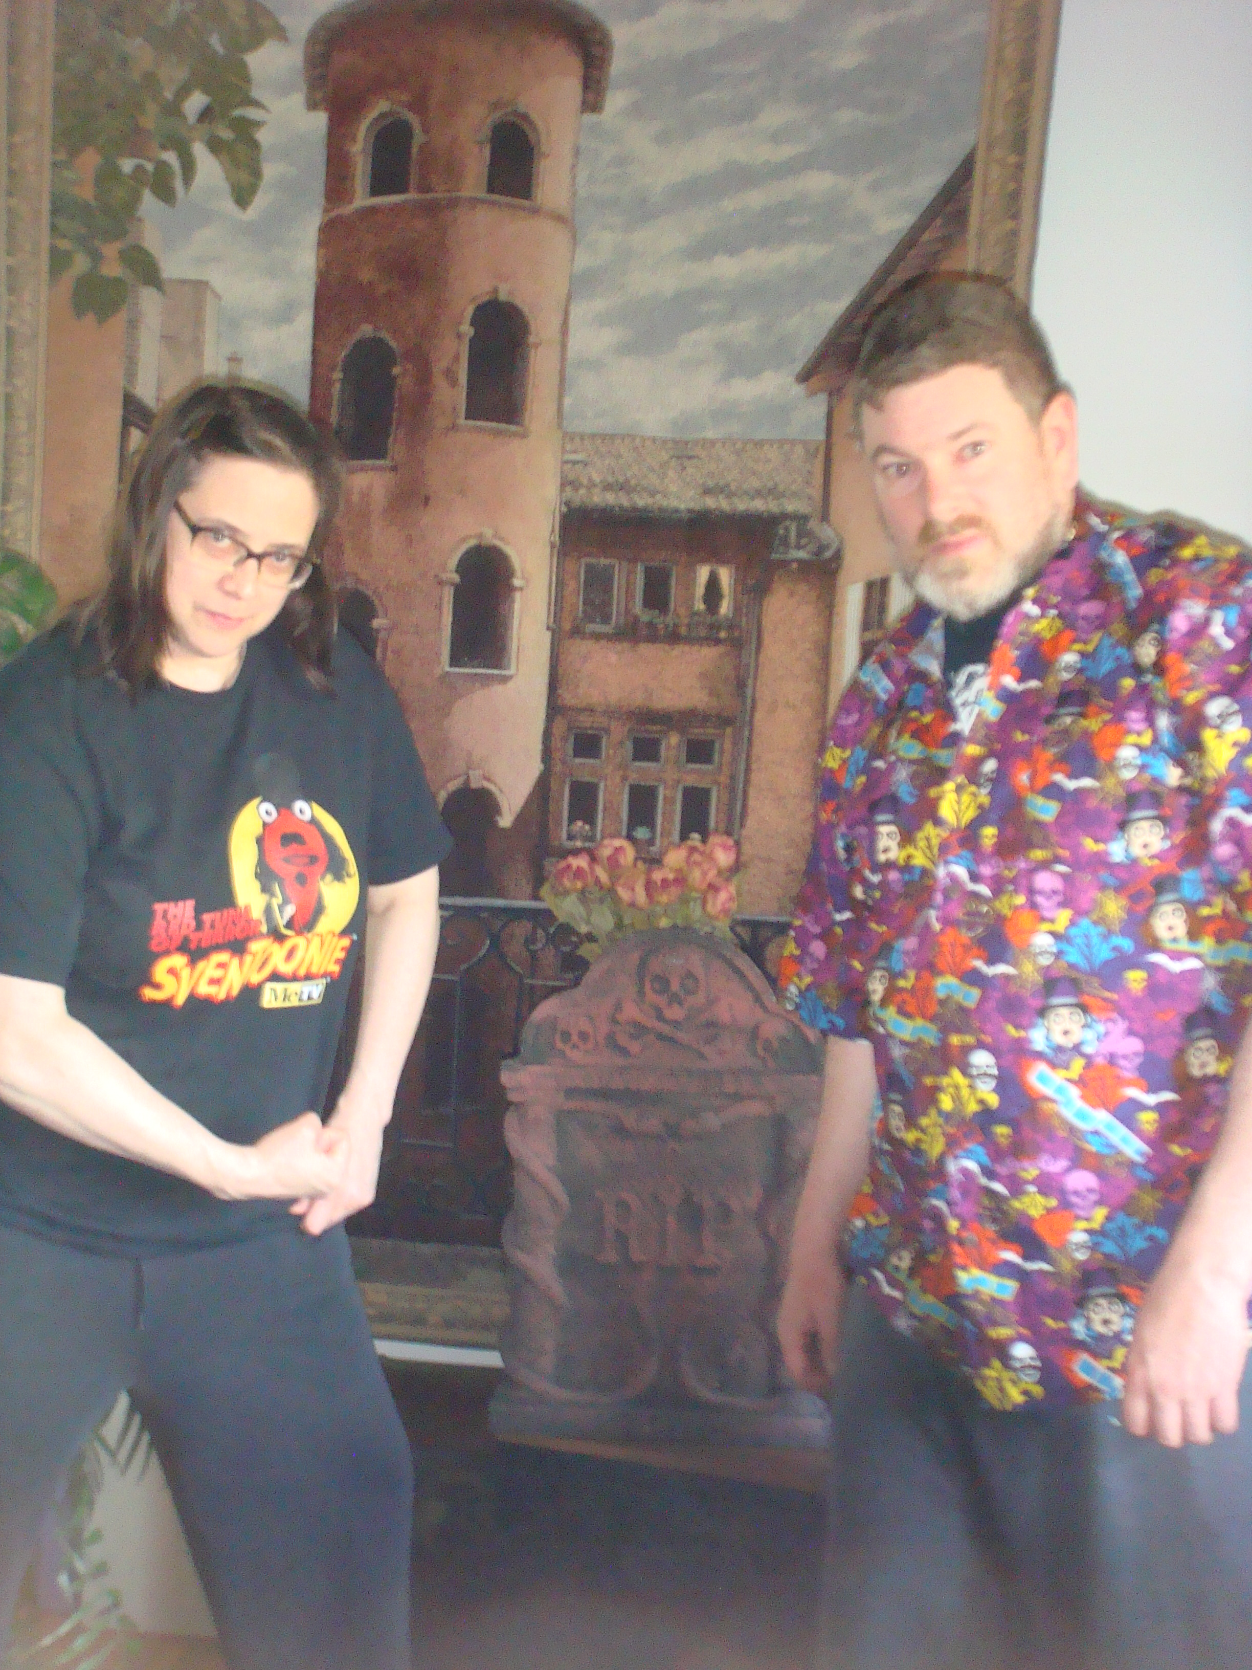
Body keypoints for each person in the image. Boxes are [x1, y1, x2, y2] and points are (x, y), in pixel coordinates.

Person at [777, 274, 1252, 1670]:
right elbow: (855, 1004)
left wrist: (1217, 1277)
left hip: (1139, 1331)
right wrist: (814, 1238)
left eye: (970, 448)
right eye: (898, 466)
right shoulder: (882, 694)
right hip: (912, 1325)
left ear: (1057, 435)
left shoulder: (1201, 618)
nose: (937, 500)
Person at [0, 381, 451, 1670]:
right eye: (218, 538)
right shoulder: (47, 713)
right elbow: (16, 1031)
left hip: (260, 1253)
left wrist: (364, 1117)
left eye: (281, 556)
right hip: (41, 1237)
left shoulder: (331, 694)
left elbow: (406, 892)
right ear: (157, 513)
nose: (245, 582)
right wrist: (227, 1163)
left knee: (338, 1565)